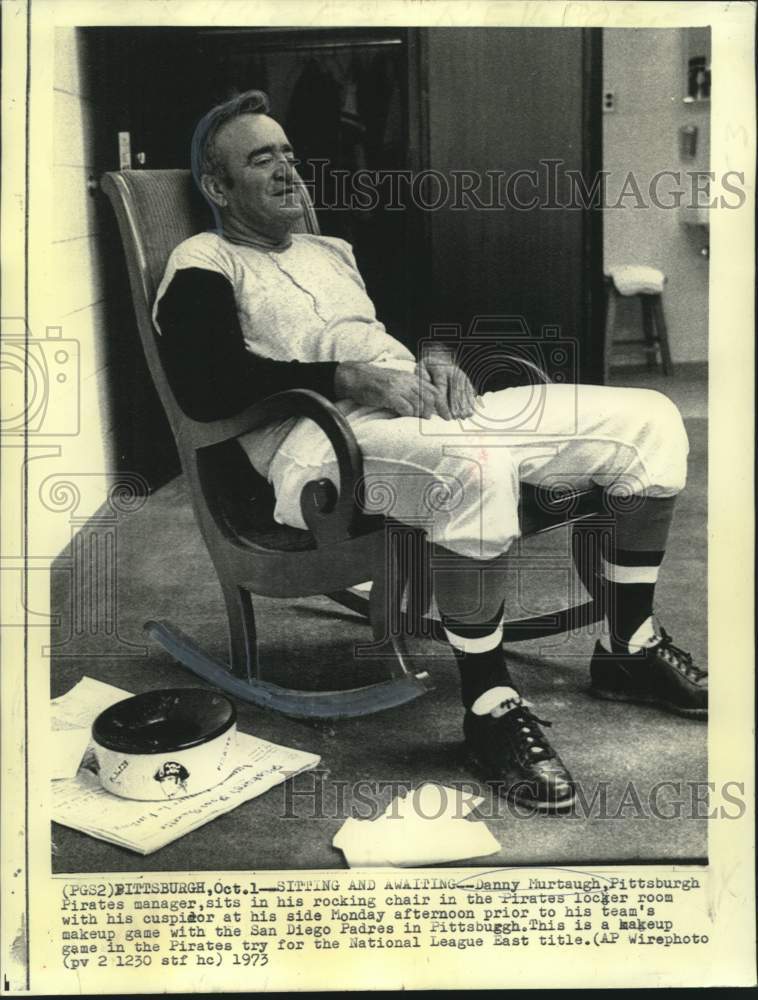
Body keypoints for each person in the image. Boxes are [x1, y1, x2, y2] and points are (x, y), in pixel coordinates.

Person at [154, 90, 708, 813]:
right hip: (320, 446)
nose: (290, 168)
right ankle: (487, 710)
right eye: (264, 159)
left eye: (290, 153)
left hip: (416, 411)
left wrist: (436, 356)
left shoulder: (330, 249)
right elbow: (206, 386)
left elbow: (397, 327)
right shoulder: (203, 262)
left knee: (651, 418)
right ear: (218, 187)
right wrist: (346, 377)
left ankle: (630, 648)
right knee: (475, 469)